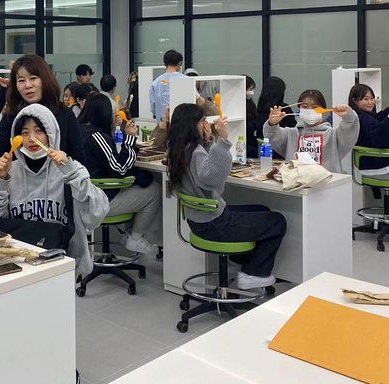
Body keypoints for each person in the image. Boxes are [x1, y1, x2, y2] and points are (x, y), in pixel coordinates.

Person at [0, 104, 108, 278]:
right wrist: (0, 181)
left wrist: (71, 172)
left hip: (65, 265)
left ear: (51, 134)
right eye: (25, 132)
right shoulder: (11, 171)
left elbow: (96, 215)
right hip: (18, 265)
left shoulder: (70, 169)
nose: (32, 138)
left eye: (39, 131)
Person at [166, 103, 286, 289]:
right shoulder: (195, 152)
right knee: (277, 221)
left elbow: (203, 171)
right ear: (191, 125)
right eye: (202, 121)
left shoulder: (178, 149)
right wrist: (222, 140)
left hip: (198, 221)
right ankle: (254, 273)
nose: (206, 124)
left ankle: (236, 263)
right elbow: (212, 179)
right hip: (214, 223)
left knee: (261, 209)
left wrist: (208, 141)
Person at [81, 93, 161, 254]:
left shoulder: (79, 130)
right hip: (102, 200)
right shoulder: (96, 136)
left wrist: (116, 129)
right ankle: (135, 238)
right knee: (154, 190)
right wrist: (130, 139)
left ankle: (128, 234)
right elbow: (120, 168)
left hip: (84, 197)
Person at [0, 54, 86, 164]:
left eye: (33, 78)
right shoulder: (12, 115)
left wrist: (66, 162)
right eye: (21, 80)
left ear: (46, 79)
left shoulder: (64, 113)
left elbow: (78, 159)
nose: (28, 85)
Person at [264, 89, 359, 172]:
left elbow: (350, 130)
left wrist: (349, 116)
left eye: (315, 107)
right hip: (296, 182)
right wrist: (272, 124)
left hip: (326, 183)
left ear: (323, 110)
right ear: (299, 110)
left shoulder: (333, 135)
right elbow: (272, 137)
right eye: (305, 107)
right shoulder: (291, 134)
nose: (310, 110)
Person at [348, 83, 389, 177]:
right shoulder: (362, 118)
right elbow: (379, 138)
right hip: (377, 164)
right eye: (366, 99)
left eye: (372, 98)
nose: (370, 102)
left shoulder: (366, 116)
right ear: (354, 101)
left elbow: (378, 118)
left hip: (377, 163)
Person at [149, 50, 185, 123]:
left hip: (162, 123)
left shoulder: (155, 83)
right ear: (180, 63)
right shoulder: (186, 80)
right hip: (183, 124)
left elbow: (153, 109)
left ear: (164, 63)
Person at [244, 75, 259, 159]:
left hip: (251, 139)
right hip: (244, 140)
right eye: (250, 89)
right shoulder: (238, 104)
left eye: (253, 89)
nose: (252, 92)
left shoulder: (251, 103)